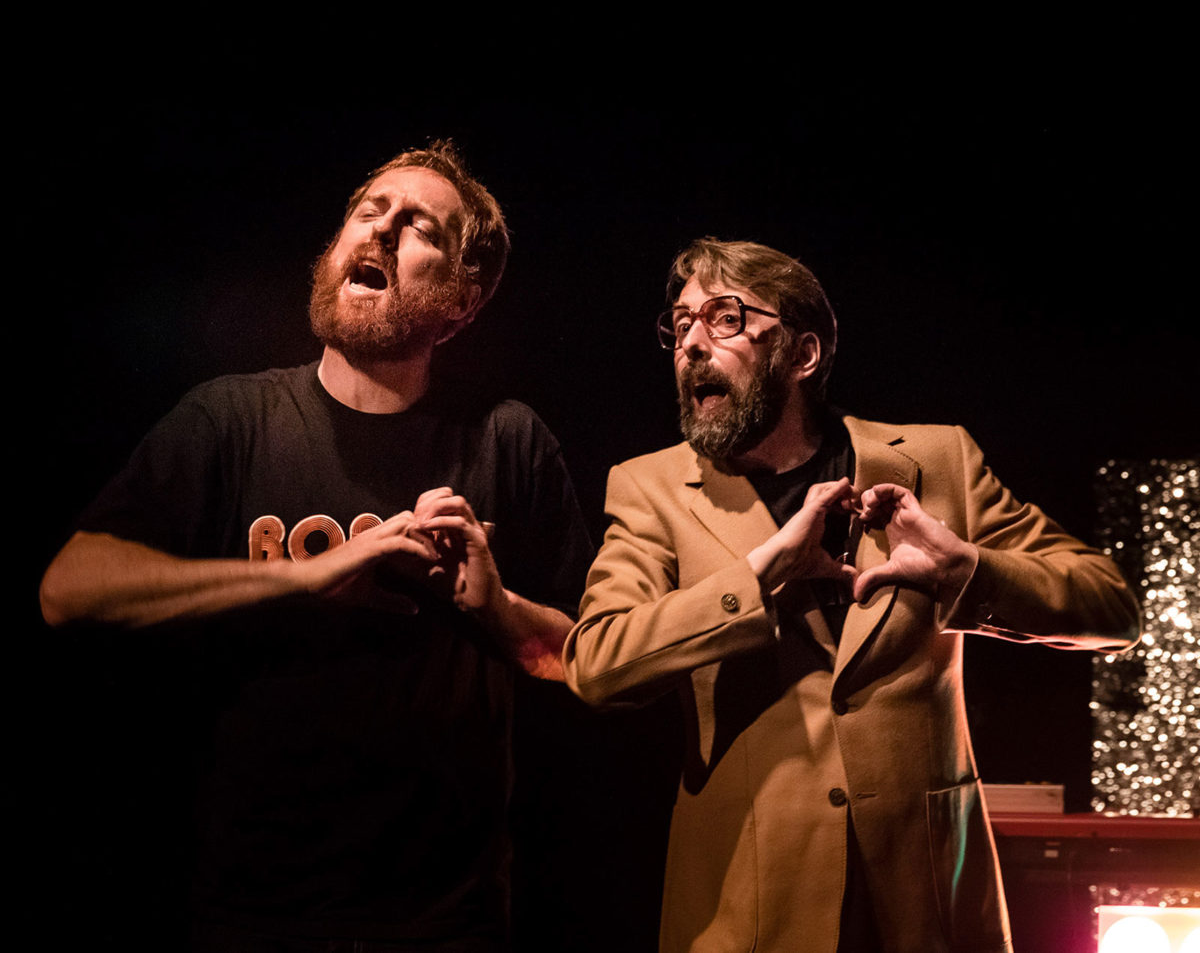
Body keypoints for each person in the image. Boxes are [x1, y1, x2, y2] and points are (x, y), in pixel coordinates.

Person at [40, 140, 594, 952]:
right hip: (252, 910)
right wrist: (308, 576)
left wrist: (500, 610)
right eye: (368, 211)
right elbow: (70, 589)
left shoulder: (507, 440)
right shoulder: (230, 420)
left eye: (420, 228)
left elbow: (593, 661)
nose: (381, 230)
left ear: (463, 302)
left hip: (448, 919)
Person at [561, 238, 1140, 953]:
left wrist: (965, 568)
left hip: (921, 907)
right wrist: (762, 573)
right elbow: (597, 663)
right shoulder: (649, 487)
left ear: (802, 354)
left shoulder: (936, 461)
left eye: (724, 318)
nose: (691, 344)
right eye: (680, 325)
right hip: (751, 912)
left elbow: (1112, 608)